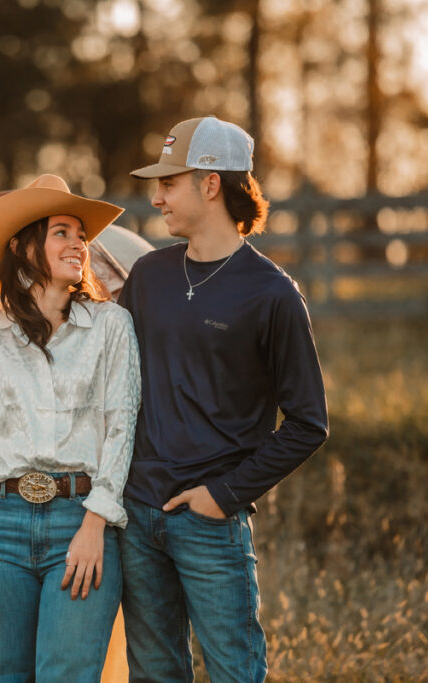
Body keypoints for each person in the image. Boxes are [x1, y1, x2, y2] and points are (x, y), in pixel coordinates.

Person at [116, 116, 329, 682]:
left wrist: (224, 494)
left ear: (211, 184)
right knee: (155, 675)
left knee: (235, 673)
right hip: (137, 515)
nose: (156, 197)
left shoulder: (272, 295)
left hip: (210, 524)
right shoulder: (148, 274)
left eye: (169, 183)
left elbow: (309, 422)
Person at [0, 173, 141, 683]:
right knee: (2, 674)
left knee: (66, 674)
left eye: (81, 234)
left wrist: (95, 525)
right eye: (62, 232)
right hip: (1, 528)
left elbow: (122, 431)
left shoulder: (110, 327)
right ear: (23, 246)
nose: (78, 242)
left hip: (78, 522)